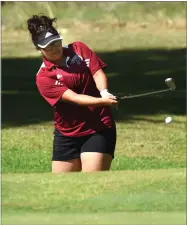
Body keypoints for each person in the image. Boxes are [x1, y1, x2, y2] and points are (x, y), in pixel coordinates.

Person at [27, 15, 118, 173]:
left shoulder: (79, 49)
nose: (54, 48)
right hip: (67, 134)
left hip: (98, 127)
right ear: (39, 49)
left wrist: (104, 93)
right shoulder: (44, 76)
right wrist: (102, 101)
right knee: (61, 188)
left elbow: (97, 72)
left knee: (92, 183)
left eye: (56, 43)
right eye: (48, 46)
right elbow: (75, 99)